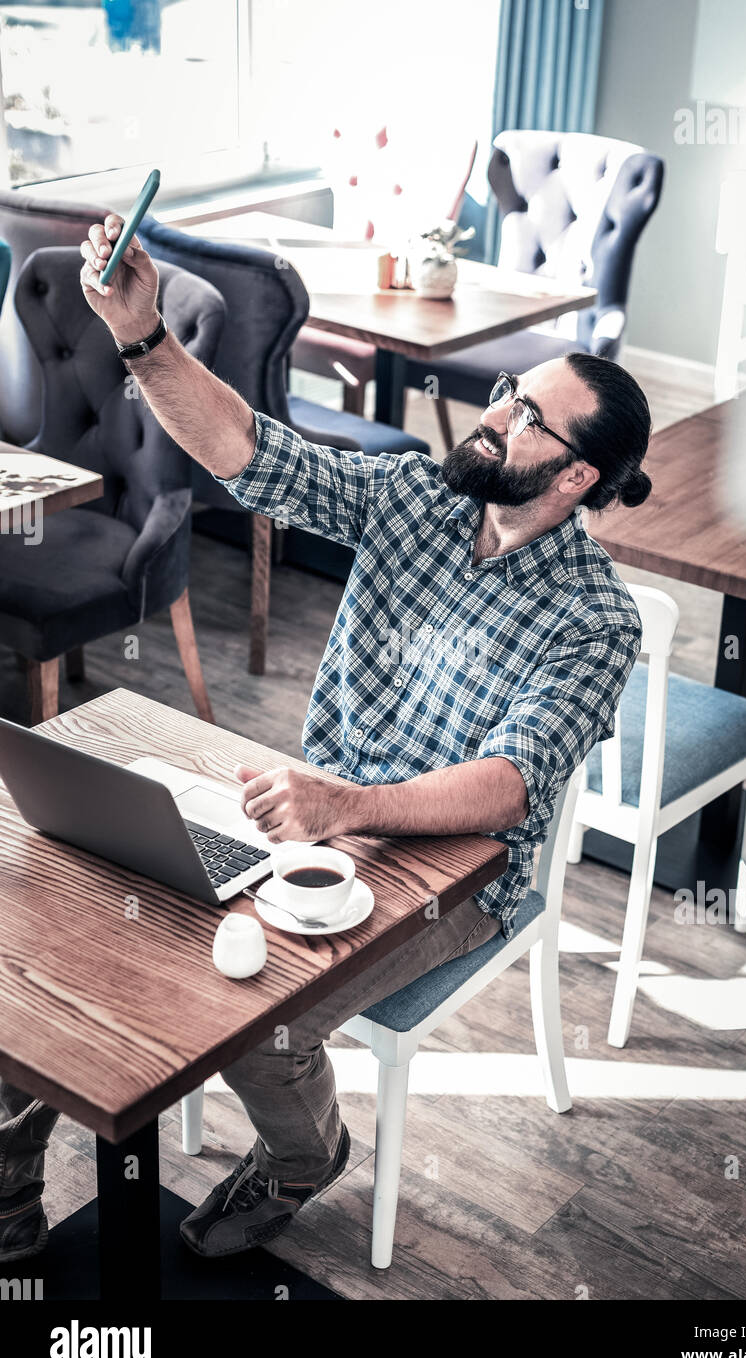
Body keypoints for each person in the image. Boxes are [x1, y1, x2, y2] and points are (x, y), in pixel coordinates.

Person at [0, 214, 653, 1263]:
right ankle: (9, 1169)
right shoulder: (412, 497)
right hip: (311, 824)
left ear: (576, 477)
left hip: (453, 876)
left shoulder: (594, 619)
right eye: (504, 394)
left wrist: (347, 805)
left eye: (529, 419)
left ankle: (303, 1158)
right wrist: (142, 336)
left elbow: (510, 784)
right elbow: (253, 454)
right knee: (69, 923)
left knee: (257, 1018)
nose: (493, 417)